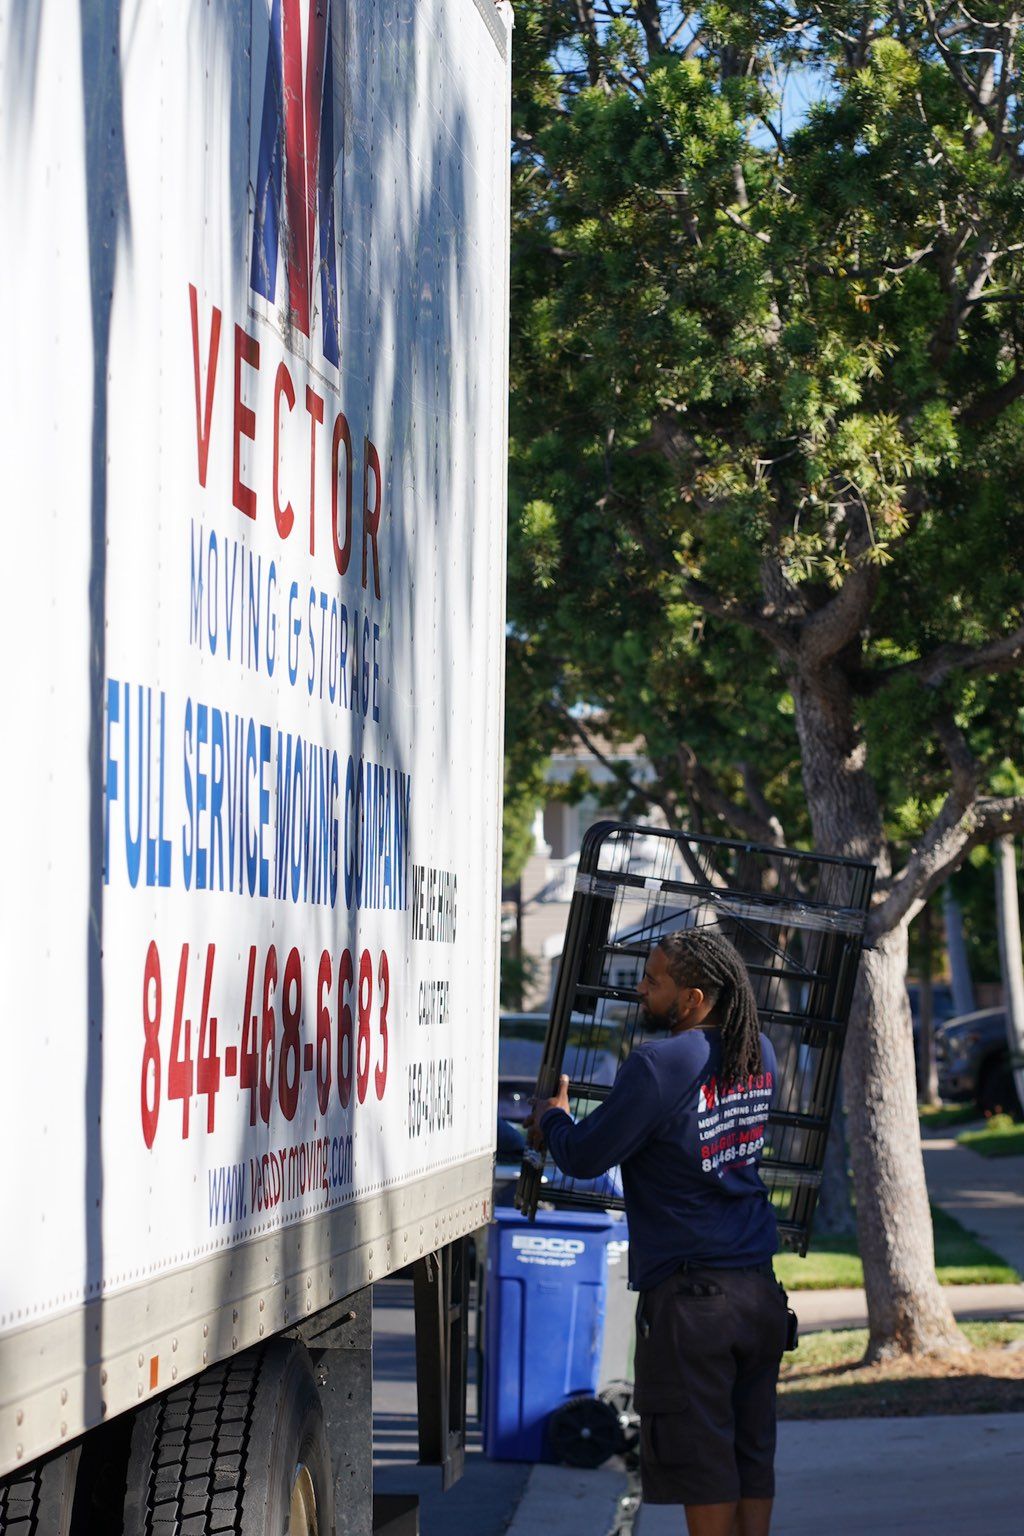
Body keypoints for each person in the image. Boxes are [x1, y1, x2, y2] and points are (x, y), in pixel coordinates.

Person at [527, 928, 789, 1536]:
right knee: (752, 1453)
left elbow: (588, 1155)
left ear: (694, 998)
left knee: (704, 1461)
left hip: (695, 1304)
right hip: (759, 1290)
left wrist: (553, 1118)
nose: (641, 990)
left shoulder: (660, 1063)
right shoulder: (760, 1052)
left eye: (654, 980)